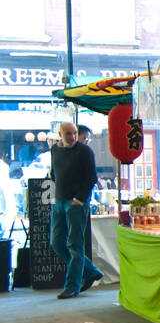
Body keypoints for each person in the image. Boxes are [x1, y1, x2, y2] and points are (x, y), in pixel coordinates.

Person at [49, 121, 102, 299]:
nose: (72, 137)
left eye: (74, 133)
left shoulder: (84, 151)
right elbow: (53, 173)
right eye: (68, 134)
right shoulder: (54, 150)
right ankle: (90, 271)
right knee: (56, 243)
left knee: (75, 245)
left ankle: (72, 286)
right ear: (60, 134)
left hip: (76, 203)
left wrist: (79, 199)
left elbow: (92, 178)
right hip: (59, 201)